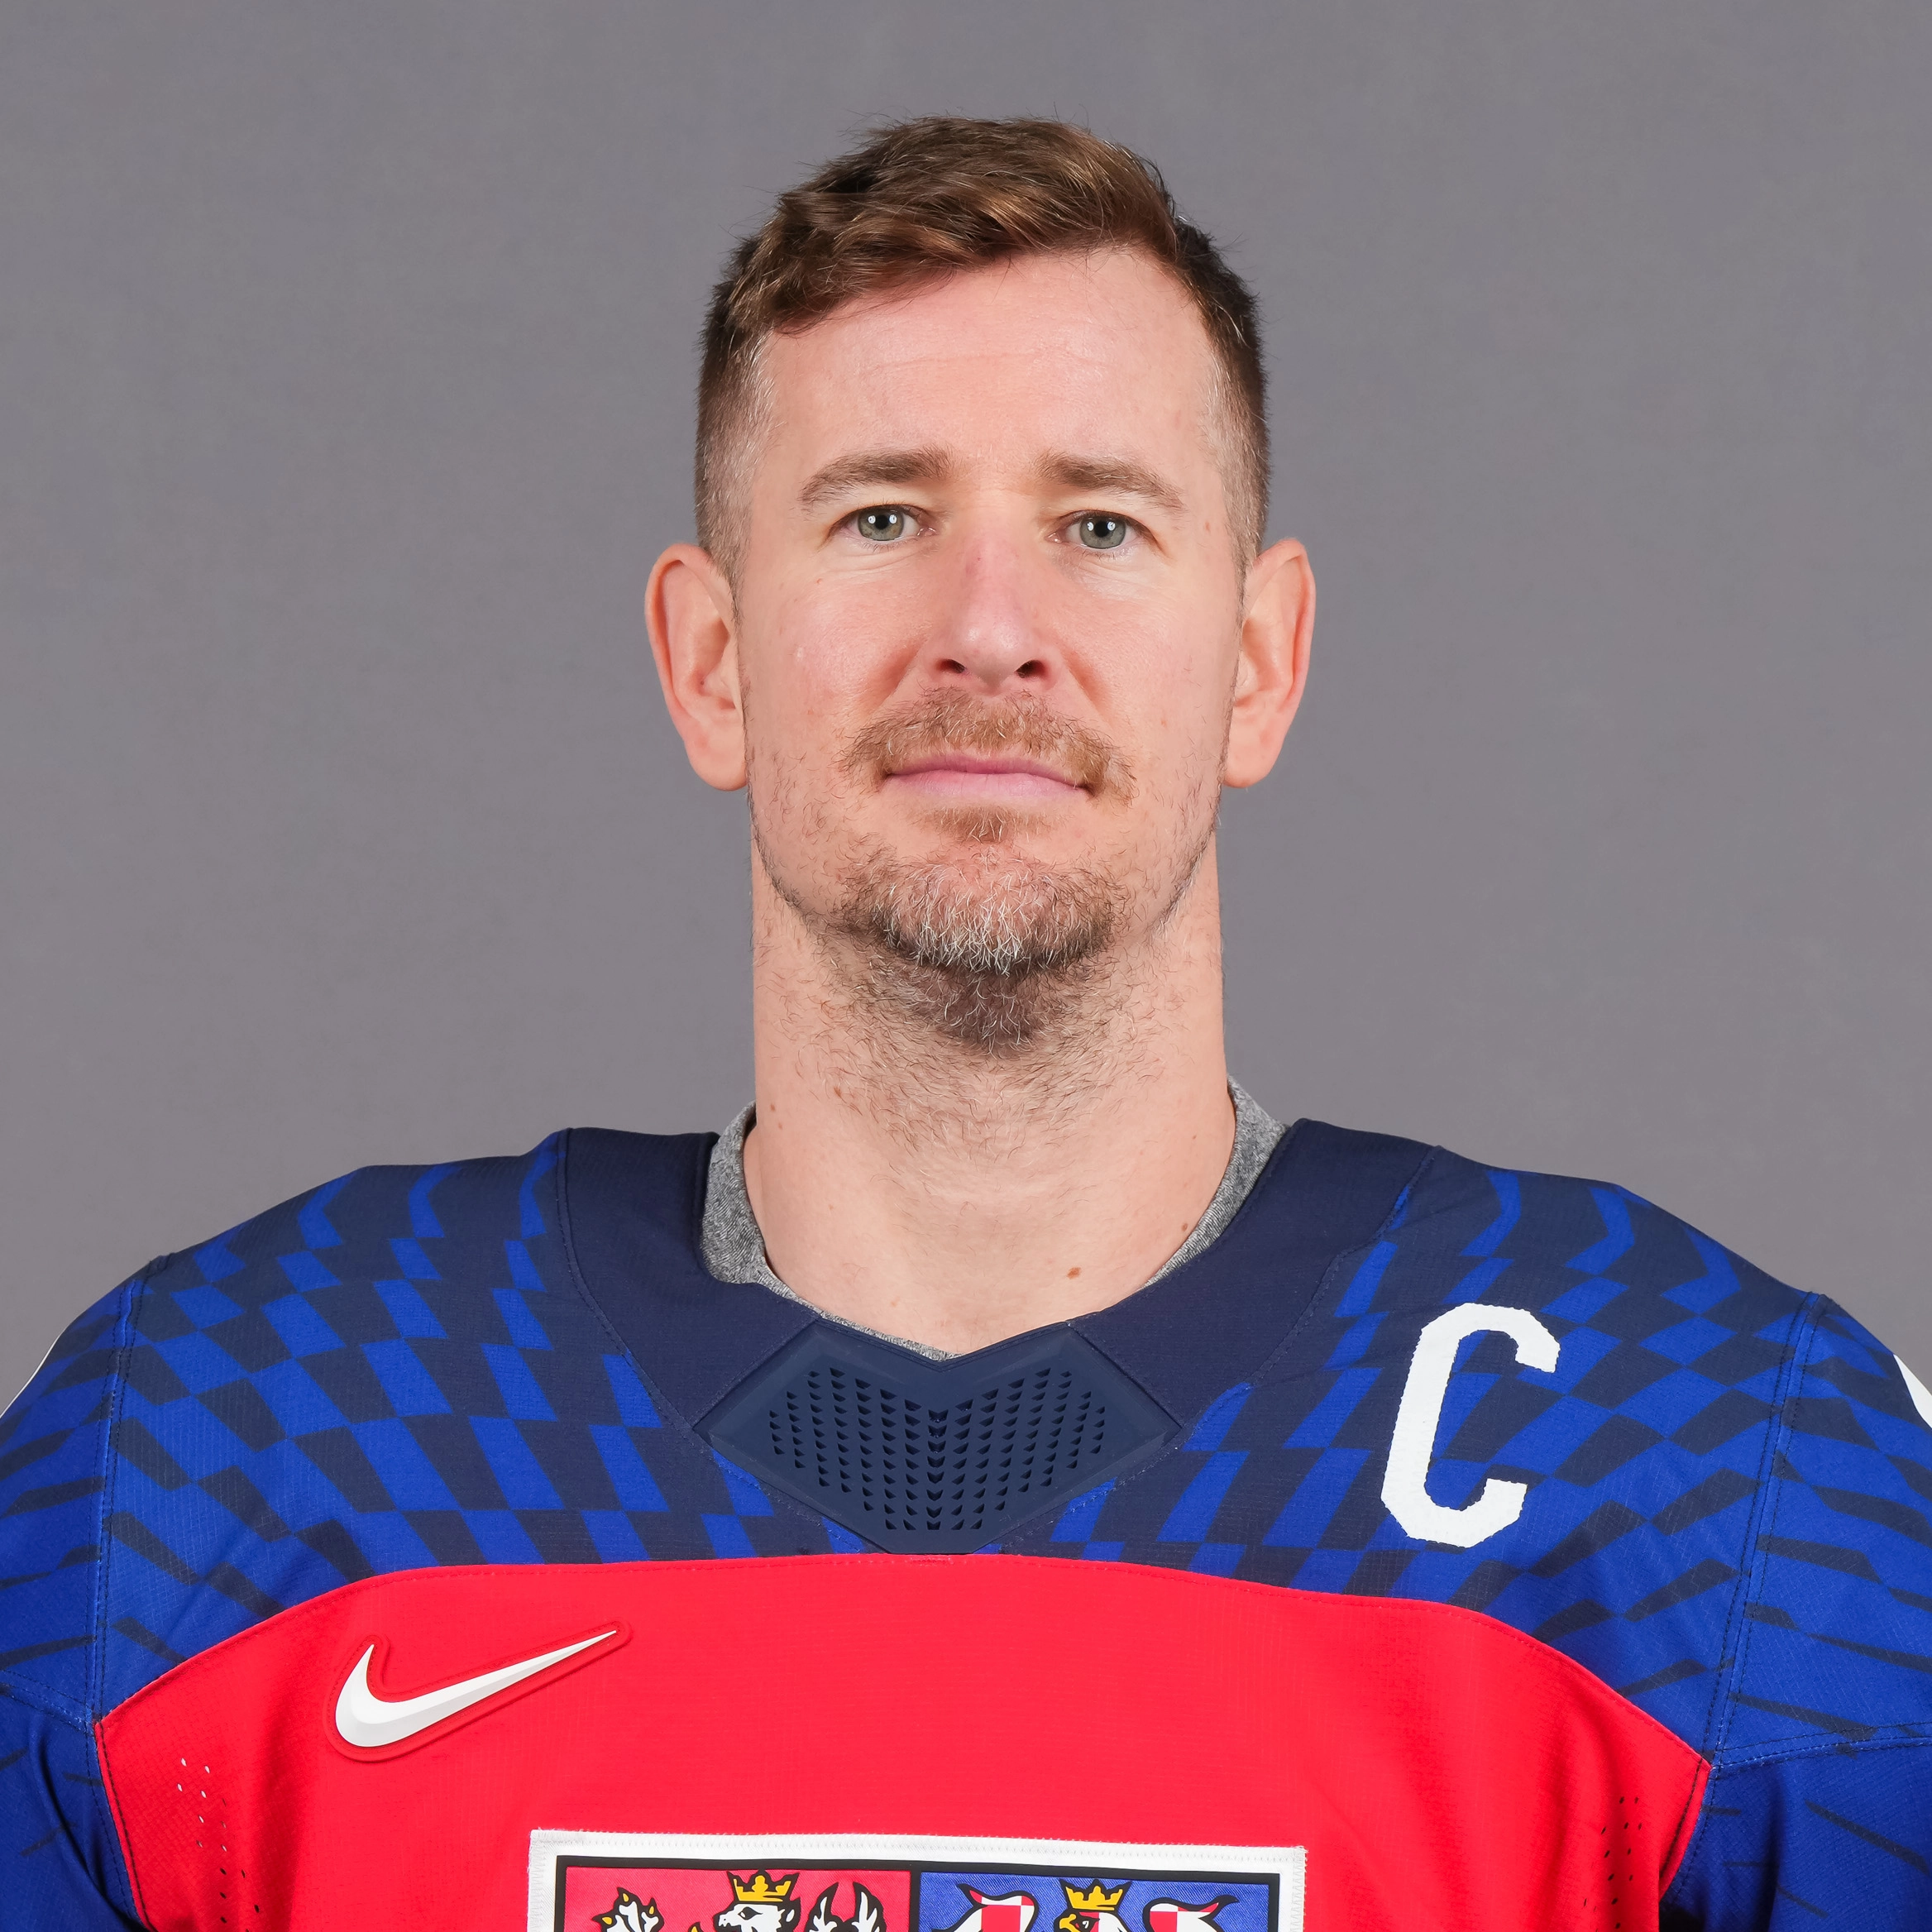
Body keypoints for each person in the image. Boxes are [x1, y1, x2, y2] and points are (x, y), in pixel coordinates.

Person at [2, 117, 1926, 1932]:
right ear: (709, 660)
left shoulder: (1710, 1459)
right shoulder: (224, 1443)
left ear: (1257, 664)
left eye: (1100, 524)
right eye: (879, 516)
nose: (989, 625)